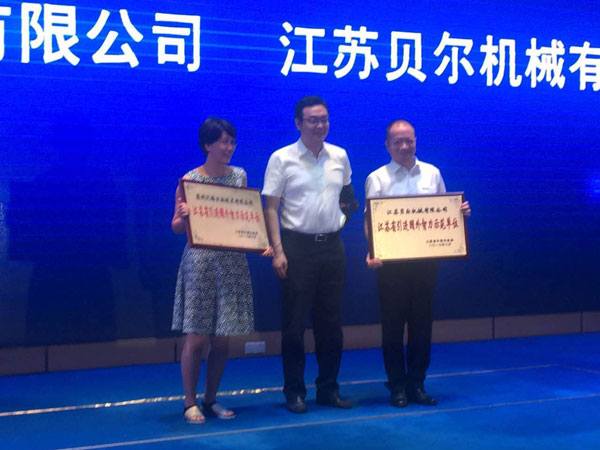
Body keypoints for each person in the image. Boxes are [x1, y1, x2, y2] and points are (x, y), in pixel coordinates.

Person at [365, 120, 471, 408]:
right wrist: (373, 250)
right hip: (391, 265)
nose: (404, 146)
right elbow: (370, 221)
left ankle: (417, 383)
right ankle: (396, 386)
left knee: (422, 326)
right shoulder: (377, 178)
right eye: (397, 141)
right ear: (387, 145)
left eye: (409, 140)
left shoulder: (432, 173)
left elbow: (446, 213)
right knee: (392, 327)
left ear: (416, 141)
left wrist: (460, 212)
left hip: (426, 264)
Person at [262, 96, 357, 414]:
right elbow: (271, 208)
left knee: (331, 324)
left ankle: (328, 389)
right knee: (294, 325)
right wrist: (278, 250)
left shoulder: (340, 156)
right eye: (313, 120)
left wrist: (341, 219)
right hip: (296, 248)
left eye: (324, 119)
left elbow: (348, 197)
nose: (320, 125)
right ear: (298, 123)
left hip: (332, 247)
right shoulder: (282, 158)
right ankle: (294, 391)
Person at [172, 117, 269, 424]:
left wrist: (261, 242)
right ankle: (189, 401)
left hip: (231, 262)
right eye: (223, 142)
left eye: (232, 142)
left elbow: (245, 217)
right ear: (207, 145)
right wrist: (184, 216)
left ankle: (210, 398)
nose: (229, 148)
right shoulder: (190, 180)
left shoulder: (239, 176)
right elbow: (176, 226)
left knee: (223, 338)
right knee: (196, 337)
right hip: (200, 263)